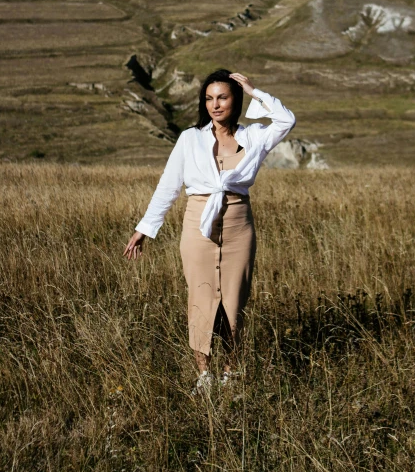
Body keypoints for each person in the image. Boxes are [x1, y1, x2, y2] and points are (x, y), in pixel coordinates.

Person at [123, 69, 296, 393]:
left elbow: (286, 120)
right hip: (196, 224)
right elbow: (169, 186)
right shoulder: (190, 138)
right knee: (201, 300)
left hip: (238, 224)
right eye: (209, 98)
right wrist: (145, 228)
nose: (215, 104)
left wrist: (254, 90)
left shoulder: (255, 136)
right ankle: (204, 376)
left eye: (223, 97)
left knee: (234, 301)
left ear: (235, 99)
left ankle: (231, 375)